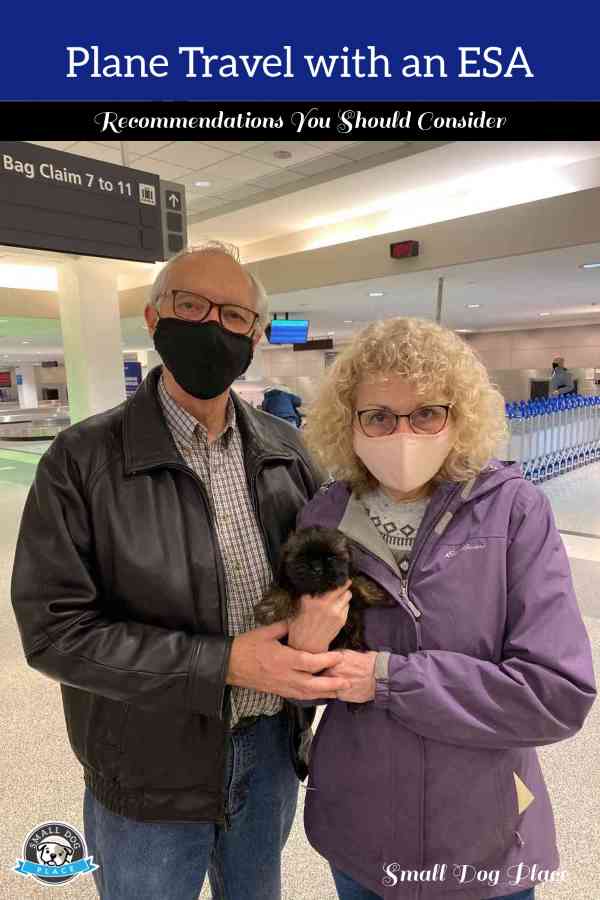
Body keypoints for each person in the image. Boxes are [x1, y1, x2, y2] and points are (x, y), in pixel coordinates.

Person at [10, 241, 353, 900]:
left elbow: (328, 573)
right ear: (152, 317)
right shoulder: (82, 462)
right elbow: (53, 632)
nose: (211, 327)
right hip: (146, 769)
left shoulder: (288, 453)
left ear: (254, 334)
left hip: (269, 758)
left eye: (232, 316)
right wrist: (221, 663)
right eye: (191, 305)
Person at [286, 317, 596, 900]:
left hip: (481, 832)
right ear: (347, 424)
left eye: (427, 412)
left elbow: (557, 693)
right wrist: (302, 649)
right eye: (377, 415)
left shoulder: (513, 513)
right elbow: (303, 681)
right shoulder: (323, 518)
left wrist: (386, 678)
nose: (402, 433)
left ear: (460, 417)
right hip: (358, 829)